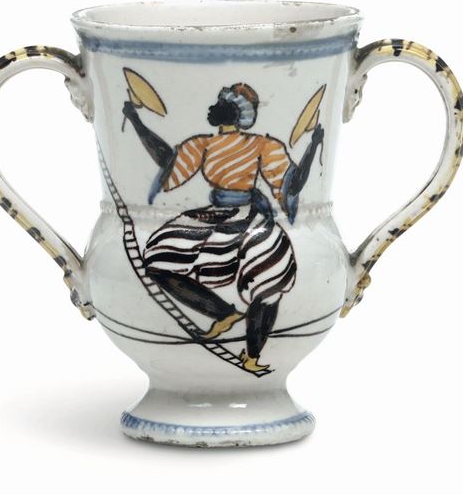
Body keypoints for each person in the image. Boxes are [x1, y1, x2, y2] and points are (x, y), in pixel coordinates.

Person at [123, 82, 324, 372]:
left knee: (268, 280)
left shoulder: (256, 145)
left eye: (220, 104)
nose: (213, 107)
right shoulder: (209, 145)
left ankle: (247, 349)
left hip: (244, 217)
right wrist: (136, 121)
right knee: (159, 257)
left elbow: (292, 184)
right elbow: (168, 161)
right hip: (220, 216)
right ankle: (226, 318)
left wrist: (314, 144)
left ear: (232, 112)